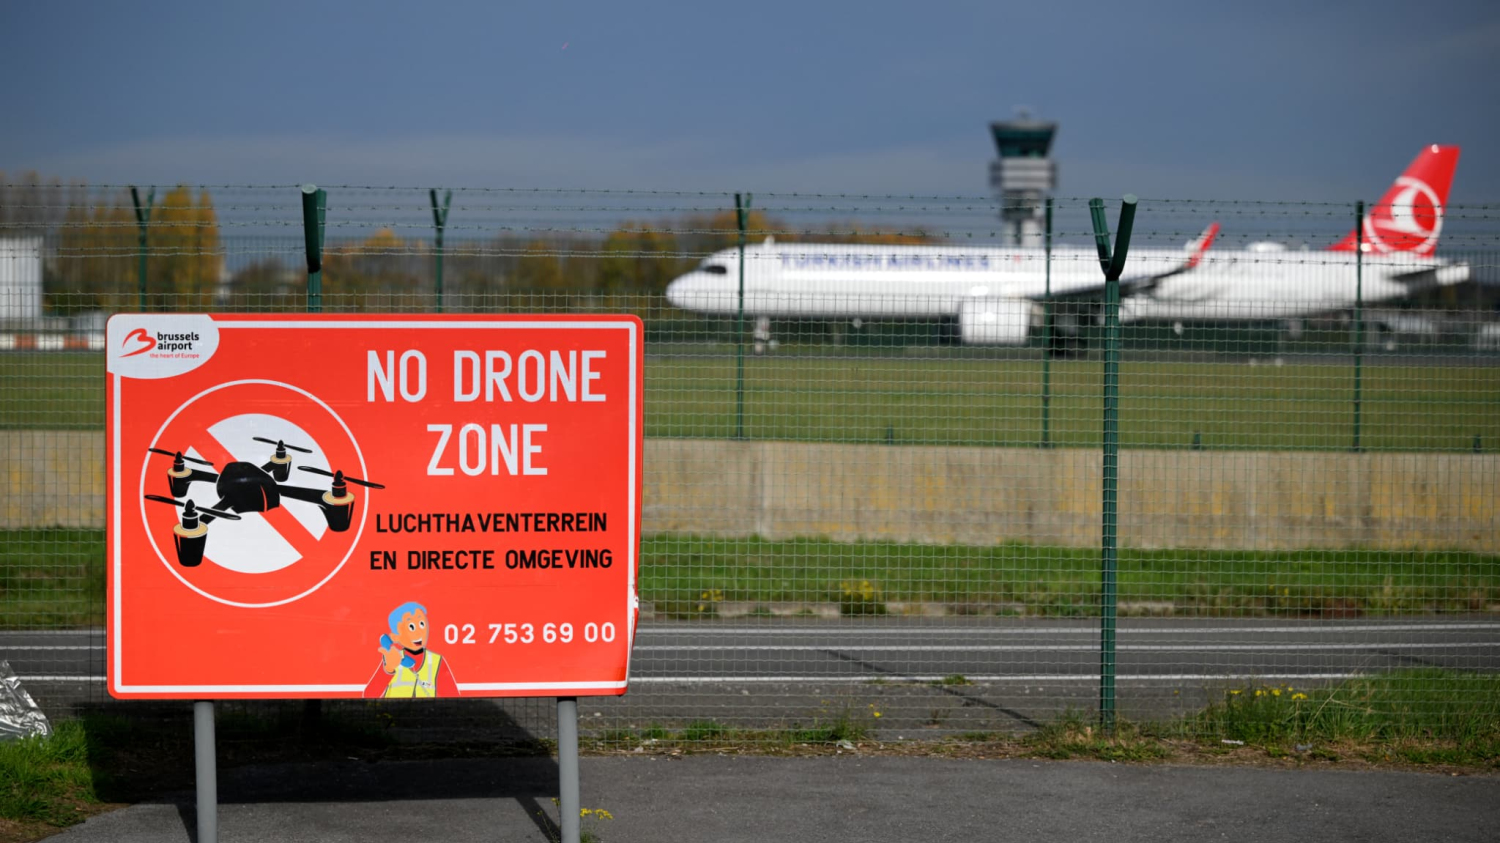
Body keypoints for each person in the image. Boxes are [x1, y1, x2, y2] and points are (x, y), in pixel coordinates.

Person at [363, 601, 459, 698]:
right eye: (411, 627)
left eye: (422, 624)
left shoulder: (437, 661)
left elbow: (454, 700)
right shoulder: (391, 659)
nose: (419, 632)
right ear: (395, 637)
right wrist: (388, 669)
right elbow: (368, 696)